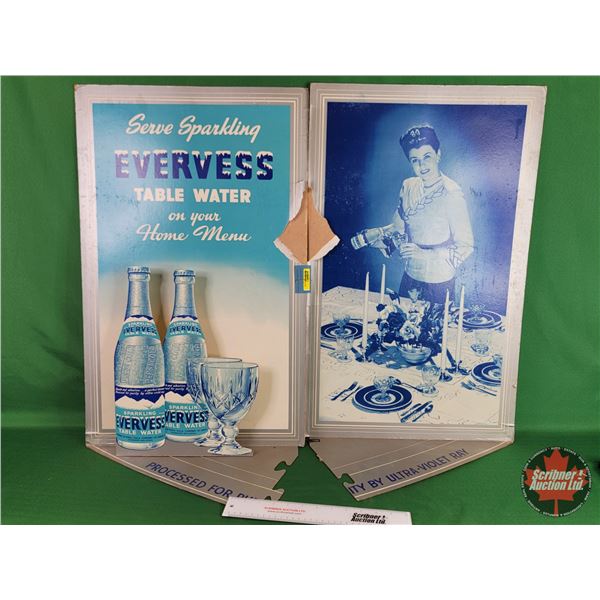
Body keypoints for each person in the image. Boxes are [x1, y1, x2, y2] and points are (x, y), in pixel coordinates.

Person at [368, 124, 473, 305]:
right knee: (402, 320)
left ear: (438, 155)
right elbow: (399, 227)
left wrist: (425, 254)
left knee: (434, 323)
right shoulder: (408, 186)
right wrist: (381, 238)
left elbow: (466, 246)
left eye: (427, 157)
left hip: (440, 280)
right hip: (410, 275)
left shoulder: (452, 193)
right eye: (415, 160)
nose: (422, 165)